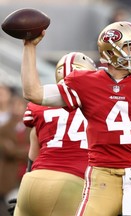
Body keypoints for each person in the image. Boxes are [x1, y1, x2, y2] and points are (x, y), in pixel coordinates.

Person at [20, 21, 131, 216]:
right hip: (103, 179)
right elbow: (33, 92)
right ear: (111, 52)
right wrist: (29, 47)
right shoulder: (86, 81)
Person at [13, 52, 96, 216]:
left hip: (32, 182)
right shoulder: (101, 107)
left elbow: (33, 157)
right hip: (73, 183)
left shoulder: (39, 108)